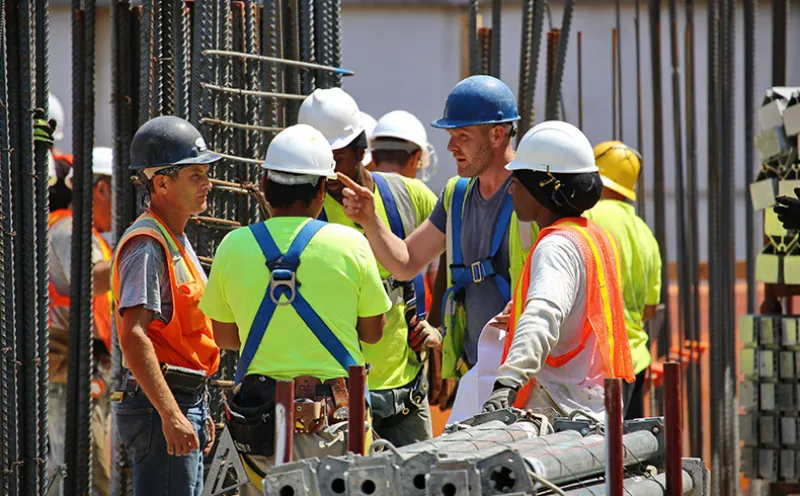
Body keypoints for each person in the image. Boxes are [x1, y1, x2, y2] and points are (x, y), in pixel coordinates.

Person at [199, 124, 391, 494]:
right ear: (321, 190)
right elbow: (372, 332)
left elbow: (225, 337)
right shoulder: (351, 244)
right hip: (337, 427)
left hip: (261, 431)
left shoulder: (232, 246)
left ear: (264, 185)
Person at [334, 76, 539, 412]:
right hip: (477, 376)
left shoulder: (534, 194)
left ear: (497, 134)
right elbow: (406, 262)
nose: (451, 147)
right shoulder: (457, 195)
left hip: (528, 380)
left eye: (463, 136)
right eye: (450, 135)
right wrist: (370, 220)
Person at [298, 88, 439, 446]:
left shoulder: (408, 195)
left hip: (406, 393)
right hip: (338, 398)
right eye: (316, 159)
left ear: (361, 151)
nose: (325, 170)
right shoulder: (304, 212)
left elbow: (457, 255)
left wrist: (441, 328)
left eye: (334, 158)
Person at [476, 121, 634, 417]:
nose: (511, 190)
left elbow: (543, 315)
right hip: (595, 404)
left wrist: (508, 380)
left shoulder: (557, 246)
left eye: (517, 181)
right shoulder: (592, 237)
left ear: (541, 189)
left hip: (562, 409)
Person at [111, 116, 221, 496]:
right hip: (161, 406)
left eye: (206, 173)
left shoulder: (174, 239)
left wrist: (195, 407)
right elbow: (133, 335)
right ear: (161, 183)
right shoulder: (147, 244)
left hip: (179, 400)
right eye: (195, 175)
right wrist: (172, 413)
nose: (208, 183)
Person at [47, 147, 115, 496]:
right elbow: (88, 280)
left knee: (93, 474)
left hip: (86, 370)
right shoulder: (70, 229)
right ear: (101, 189)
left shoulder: (88, 234)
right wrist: (138, 250)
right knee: (83, 477)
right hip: (69, 373)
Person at [583, 141, 662, 419]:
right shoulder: (645, 233)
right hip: (636, 360)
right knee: (631, 443)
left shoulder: (587, 217)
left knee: (595, 445)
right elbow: (649, 310)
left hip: (598, 366)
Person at [370, 109, 440, 346]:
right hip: (407, 339)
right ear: (415, 158)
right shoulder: (423, 197)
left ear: (372, 156)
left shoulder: (353, 197)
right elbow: (438, 277)